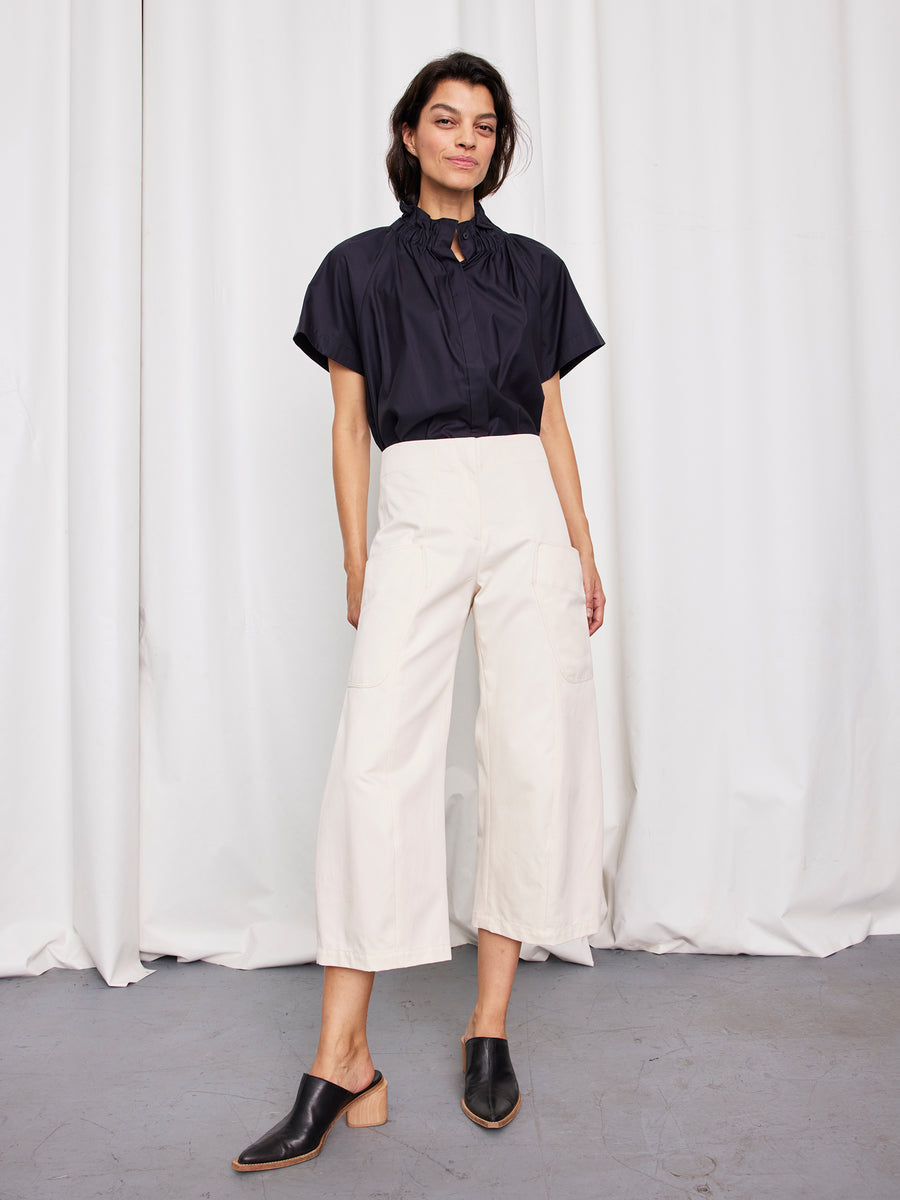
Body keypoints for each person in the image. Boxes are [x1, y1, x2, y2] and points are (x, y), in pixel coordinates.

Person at [232, 49, 606, 1172]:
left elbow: (549, 419)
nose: (467, 139)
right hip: (421, 503)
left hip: (525, 510)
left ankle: (487, 1022)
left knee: (533, 754)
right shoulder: (355, 268)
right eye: (446, 121)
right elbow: (349, 426)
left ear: (499, 145)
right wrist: (361, 556)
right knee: (376, 763)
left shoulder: (535, 270)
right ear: (409, 136)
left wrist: (581, 545)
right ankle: (341, 1053)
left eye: (485, 125)